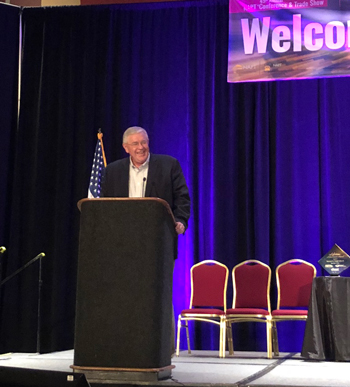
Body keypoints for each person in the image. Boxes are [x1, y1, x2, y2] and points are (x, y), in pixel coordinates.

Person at [101, 126, 191, 235]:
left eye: (143, 142)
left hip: (159, 236)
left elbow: (182, 197)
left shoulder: (169, 165)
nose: (141, 147)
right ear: (126, 148)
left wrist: (180, 220)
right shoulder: (113, 170)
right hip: (122, 235)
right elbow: (104, 202)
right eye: (135, 144)